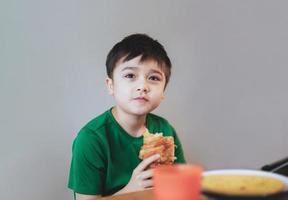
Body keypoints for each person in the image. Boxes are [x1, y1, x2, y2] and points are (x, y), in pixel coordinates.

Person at [68, 33, 186, 200]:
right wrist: (130, 190)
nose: (142, 86)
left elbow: (181, 188)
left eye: (153, 78)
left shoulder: (165, 130)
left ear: (163, 92)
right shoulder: (91, 139)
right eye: (130, 76)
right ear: (111, 85)